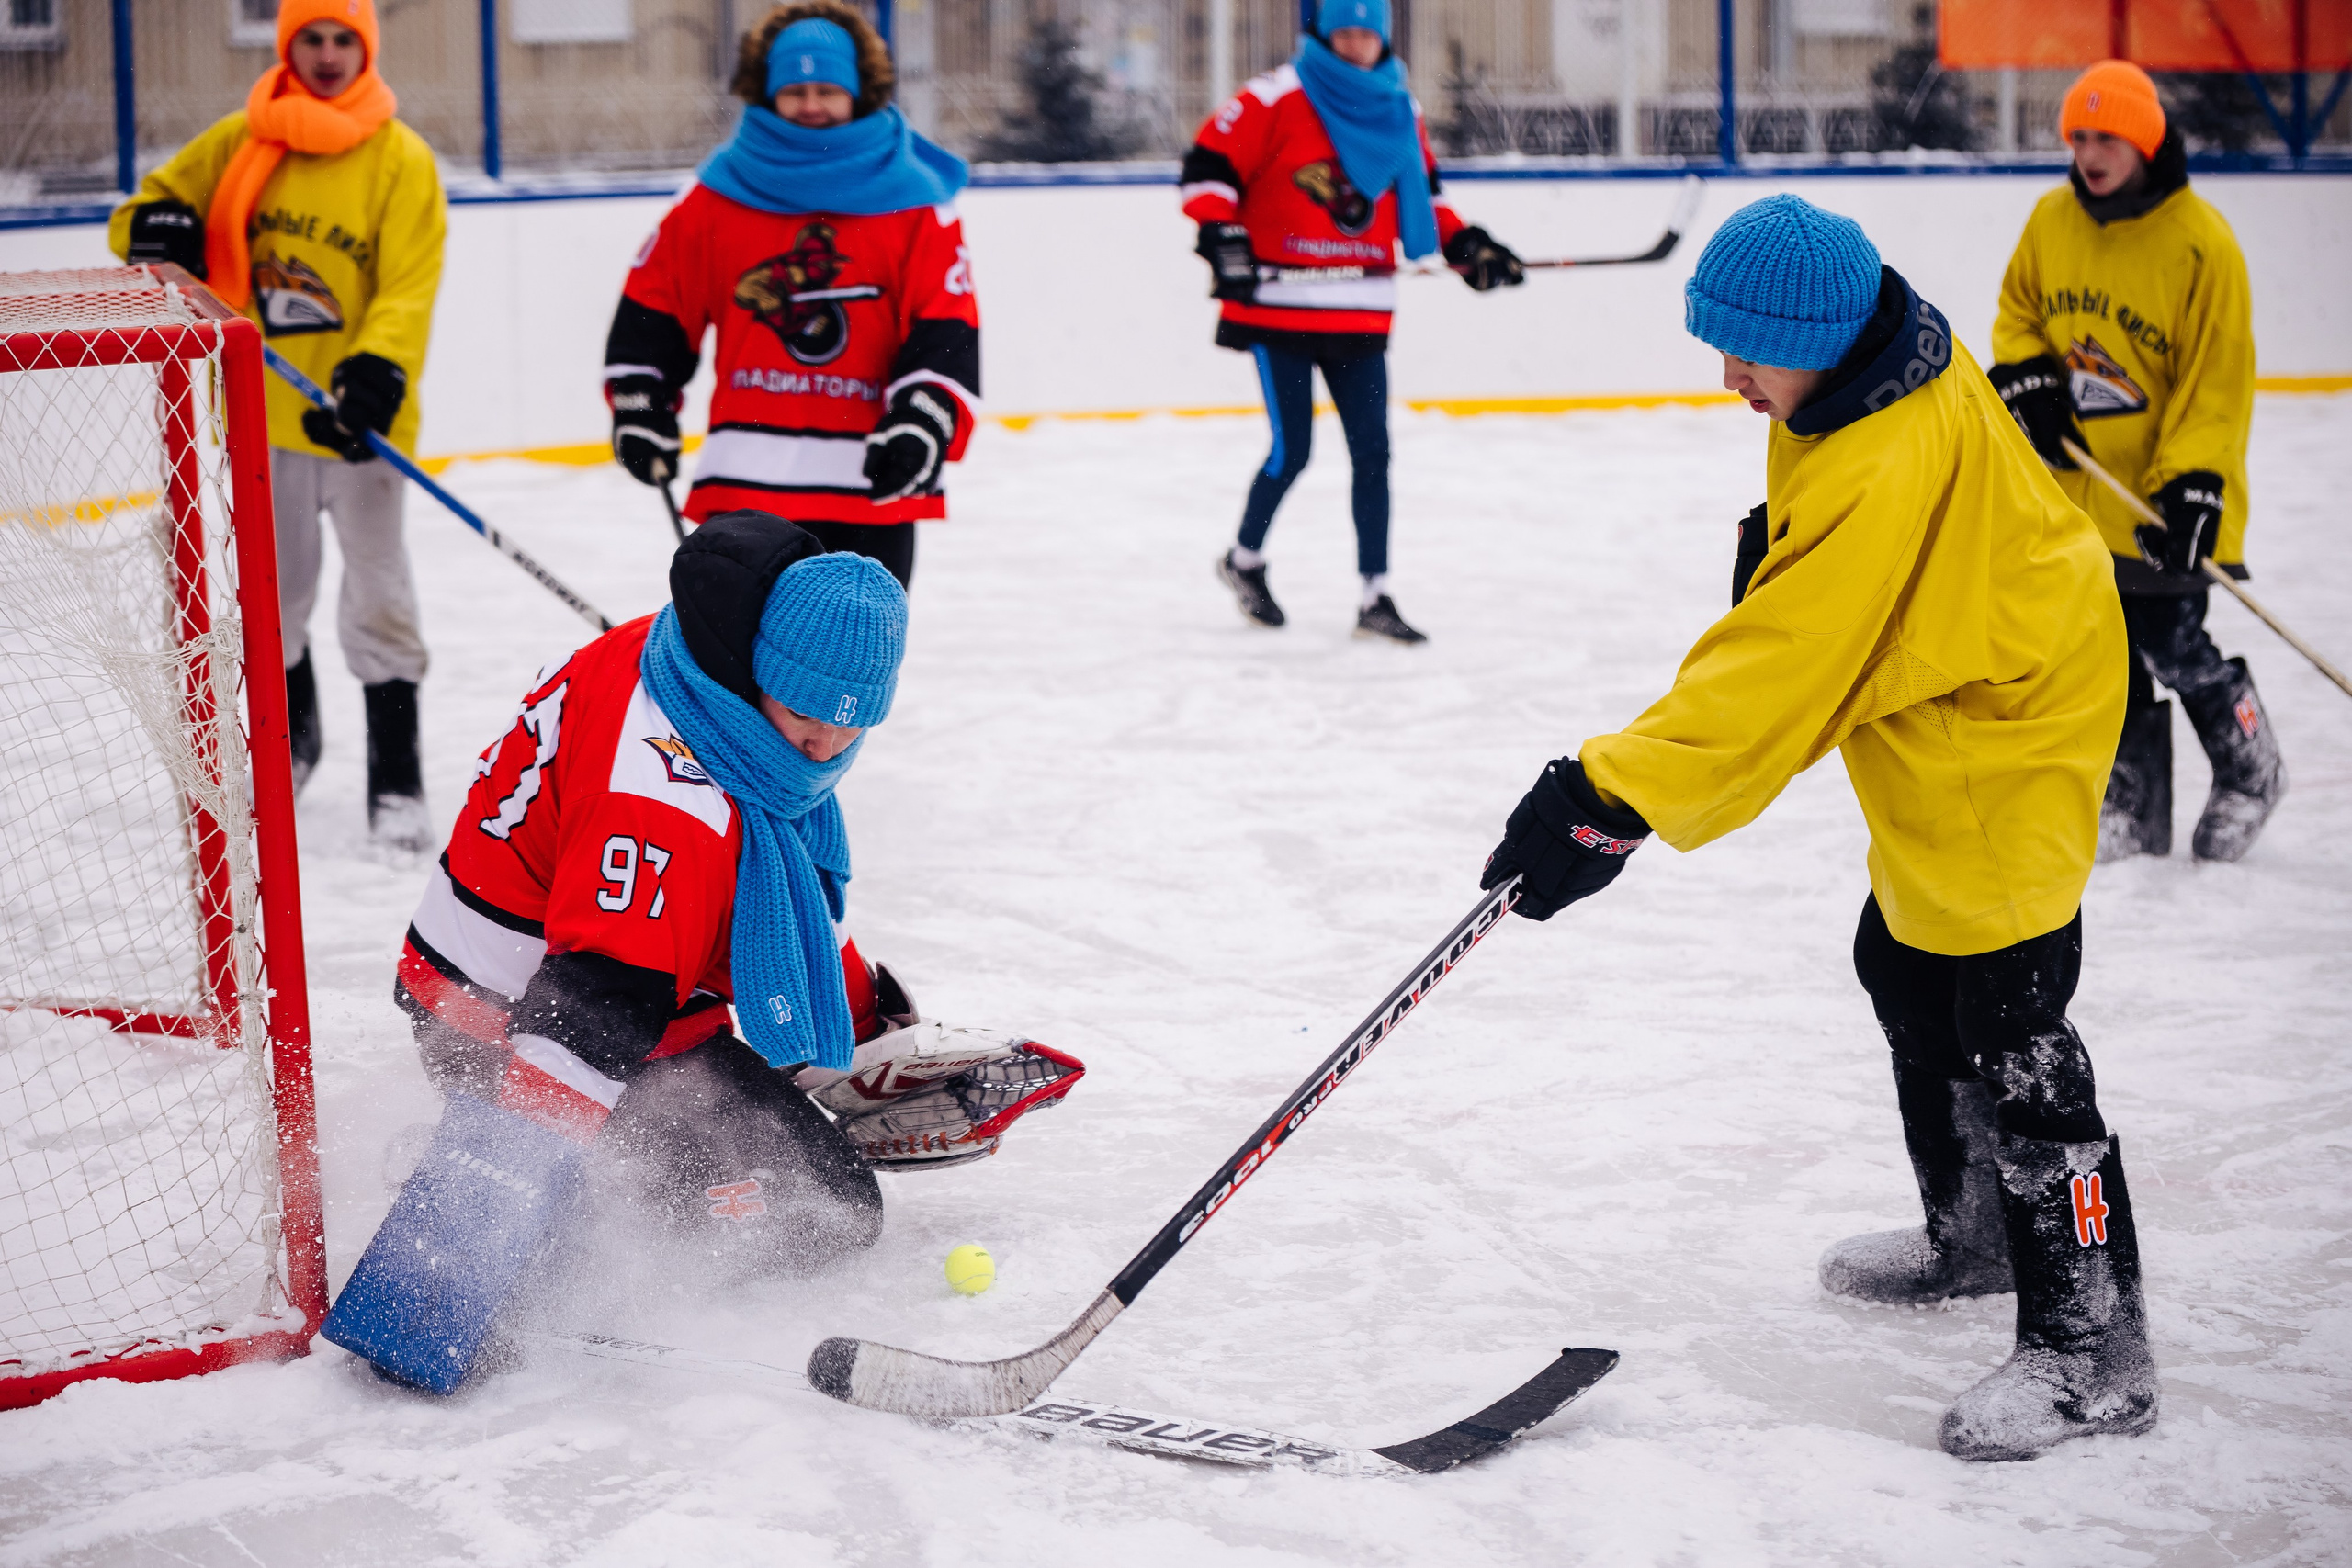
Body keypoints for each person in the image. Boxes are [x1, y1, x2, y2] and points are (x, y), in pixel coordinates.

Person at [1479, 196, 2155, 1461]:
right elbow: (1820, 605)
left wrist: (1605, 796)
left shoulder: (1877, 455)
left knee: (2014, 1016)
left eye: (1748, 352)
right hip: (1954, 679)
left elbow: (1782, 671)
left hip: (2012, 711)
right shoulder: (1867, 357)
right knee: (1902, 957)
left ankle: (2094, 1347)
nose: (1729, 376)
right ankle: (1969, 1236)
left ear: (1819, 336)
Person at [326, 513, 1080, 1392]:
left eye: (853, 726)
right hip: (503, 1023)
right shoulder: (671, 799)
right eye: (807, 715)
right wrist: (455, 1262)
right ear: (766, 669)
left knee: (818, 1182)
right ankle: (520, 1192)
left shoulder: (691, 668)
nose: (825, 747)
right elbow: (590, 1010)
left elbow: (763, 889)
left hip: (525, 980)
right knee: (828, 1207)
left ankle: (526, 1168)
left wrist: (868, 1029)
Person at [110, 0, 447, 851]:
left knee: (381, 597)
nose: (328, 55)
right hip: (262, 416)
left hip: (359, 422)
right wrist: (152, 230)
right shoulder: (240, 141)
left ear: (365, 48)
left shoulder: (398, 157)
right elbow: (141, 215)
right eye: (312, 39)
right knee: (279, 593)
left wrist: (376, 368)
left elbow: (409, 283)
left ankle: (397, 777)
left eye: (344, 39)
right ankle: (295, 741)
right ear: (286, 44)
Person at [1989, 60, 2279, 863]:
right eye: (2078, 136)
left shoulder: (2201, 243)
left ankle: (2251, 769)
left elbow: (2214, 384)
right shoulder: (2052, 219)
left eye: (2106, 135)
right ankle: (2133, 803)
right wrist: (2028, 377)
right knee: (2104, 656)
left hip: (2164, 503)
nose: (2088, 152)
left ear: (2146, 139)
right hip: (2078, 498)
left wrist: (2192, 485)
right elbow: (2019, 315)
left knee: (2175, 647)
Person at [1180, 0, 1525, 643]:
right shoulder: (1276, 95)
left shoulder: (1402, 110)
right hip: (1278, 310)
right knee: (1293, 451)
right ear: (1321, 34)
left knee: (1374, 453)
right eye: (1344, 32)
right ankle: (1245, 561)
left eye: (1368, 32)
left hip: (1360, 313)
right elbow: (1206, 171)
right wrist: (1223, 235)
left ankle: (1376, 595)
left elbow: (1428, 200)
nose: (1357, 45)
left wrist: (1469, 247)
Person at [604, 1, 978, 592]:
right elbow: (657, 303)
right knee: (734, 681)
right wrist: (640, 400)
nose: (810, 106)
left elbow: (946, 324)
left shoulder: (918, 203)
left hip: (871, 481)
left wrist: (922, 420)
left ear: (860, 92)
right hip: (745, 483)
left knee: (849, 680)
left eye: (827, 89)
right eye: (794, 90)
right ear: (766, 93)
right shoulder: (712, 197)